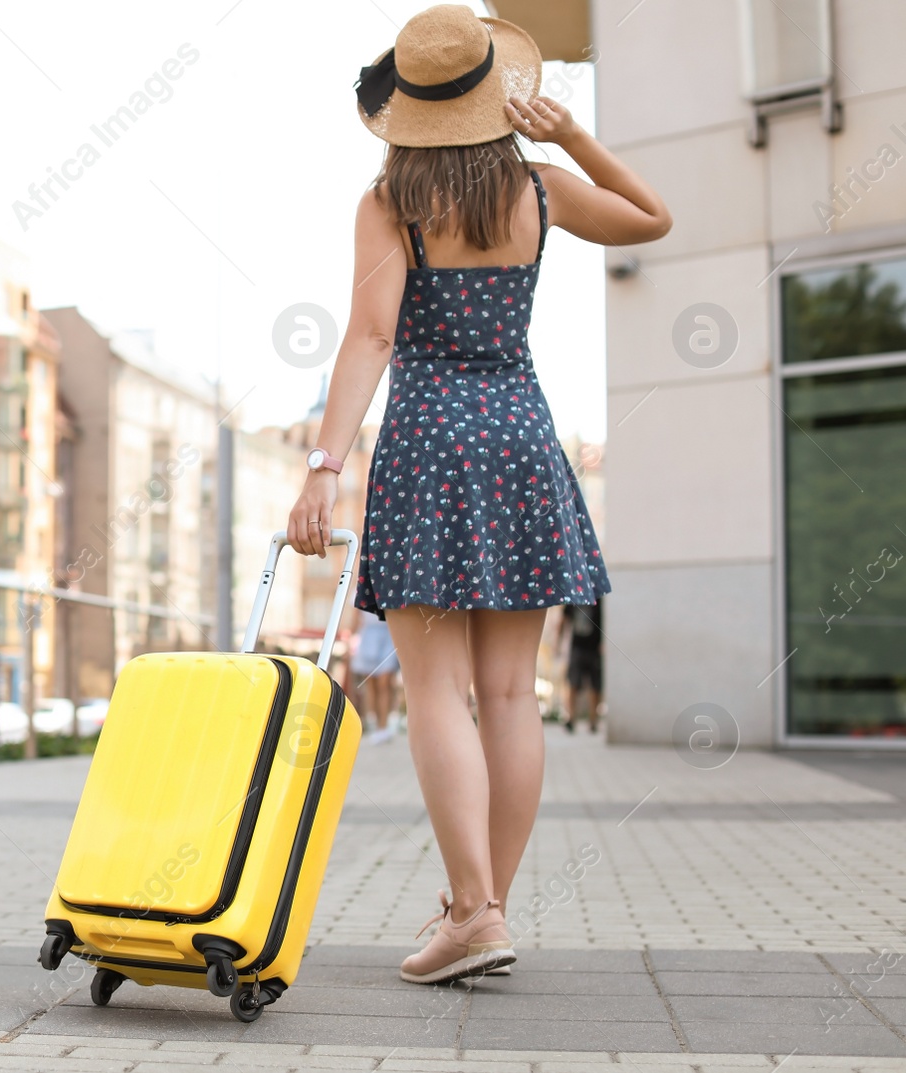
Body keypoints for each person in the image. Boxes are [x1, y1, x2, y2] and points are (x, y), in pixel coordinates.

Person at [286, 4, 670, 986]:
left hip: (427, 445)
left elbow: (370, 339)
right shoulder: (538, 191)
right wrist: (573, 133)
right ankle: (482, 907)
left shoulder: (388, 201)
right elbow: (651, 218)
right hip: (519, 439)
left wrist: (325, 466)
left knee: (434, 695)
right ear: (496, 96)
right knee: (509, 695)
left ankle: (471, 909)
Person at [350, 609, 400, 745]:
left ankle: (383, 726)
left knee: (384, 683)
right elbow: (356, 617)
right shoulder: (357, 590)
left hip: (388, 634)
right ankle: (374, 724)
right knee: (371, 684)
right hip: (368, 637)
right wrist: (349, 641)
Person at [559, 597, 603, 733]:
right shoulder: (573, 597)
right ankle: (571, 718)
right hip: (577, 647)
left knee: (595, 686)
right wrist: (558, 642)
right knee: (573, 683)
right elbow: (564, 620)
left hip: (594, 648)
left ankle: (593, 719)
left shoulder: (599, 599)